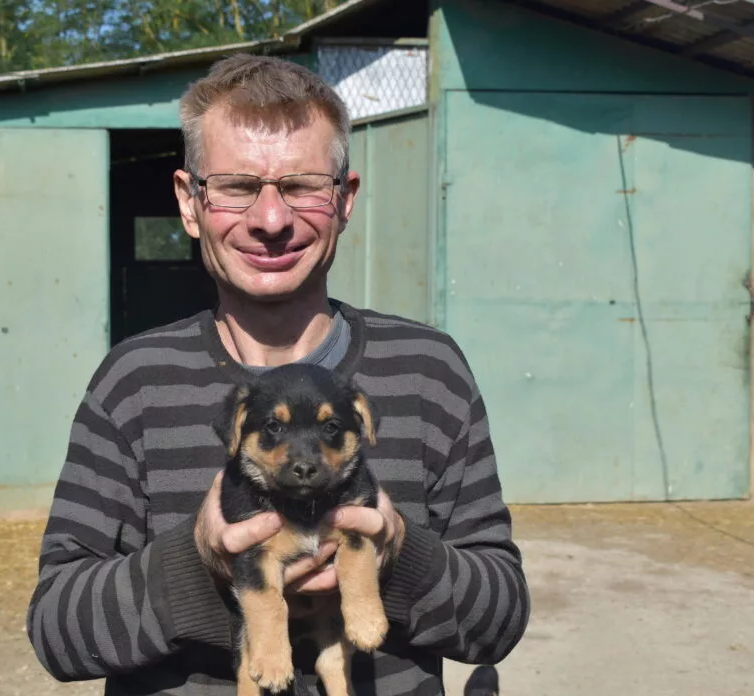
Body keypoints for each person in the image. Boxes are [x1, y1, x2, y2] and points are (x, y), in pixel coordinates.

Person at [26, 52, 529, 695]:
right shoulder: (133, 382)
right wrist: (201, 563)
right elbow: (57, 634)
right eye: (237, 186)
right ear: (190, 202)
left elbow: (499, 624)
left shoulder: (430, 371)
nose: (271, 220)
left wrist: (397, 556)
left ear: (344, 200)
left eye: (302, 186)